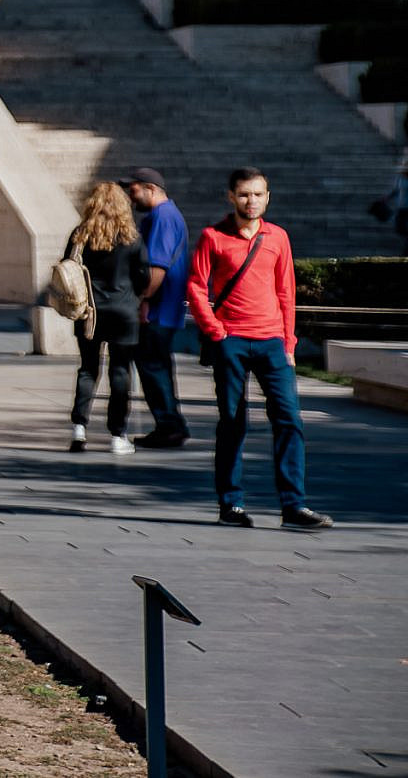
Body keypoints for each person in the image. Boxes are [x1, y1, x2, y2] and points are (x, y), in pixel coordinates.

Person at [186, 168, 332, 529]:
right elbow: (195, 287)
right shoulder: (213, 237)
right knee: (234, 423)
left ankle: (293, 506)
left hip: (272, 342)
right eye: (244, 195)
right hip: (231, 341)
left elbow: (286, 291)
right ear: (231, 197)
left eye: (258, 194)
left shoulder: (278, 237)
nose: (251, 201)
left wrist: (289, 342)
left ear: (268, 197)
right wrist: (216, 332)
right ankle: (231, 504)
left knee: (289, 420)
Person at [63, 182, 149, 455]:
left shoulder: (81, 235)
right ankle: (117, 434)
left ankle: (79, 427)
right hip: (123, 312)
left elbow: (67, 267)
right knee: (121, 371)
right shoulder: (131, 237)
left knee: (88, 369)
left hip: (89, 312)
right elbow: (143, 275)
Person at [122, 167, 191, 447]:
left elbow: (157, 267)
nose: (131, 195)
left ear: (151, 189)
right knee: (158, 366)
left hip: (158, 308)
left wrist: (144, 301)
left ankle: (169, 425)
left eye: (135, 189)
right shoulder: (167, 215)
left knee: (153, 367)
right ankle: (170, 424)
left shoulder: (162, 217)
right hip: (165, 307)